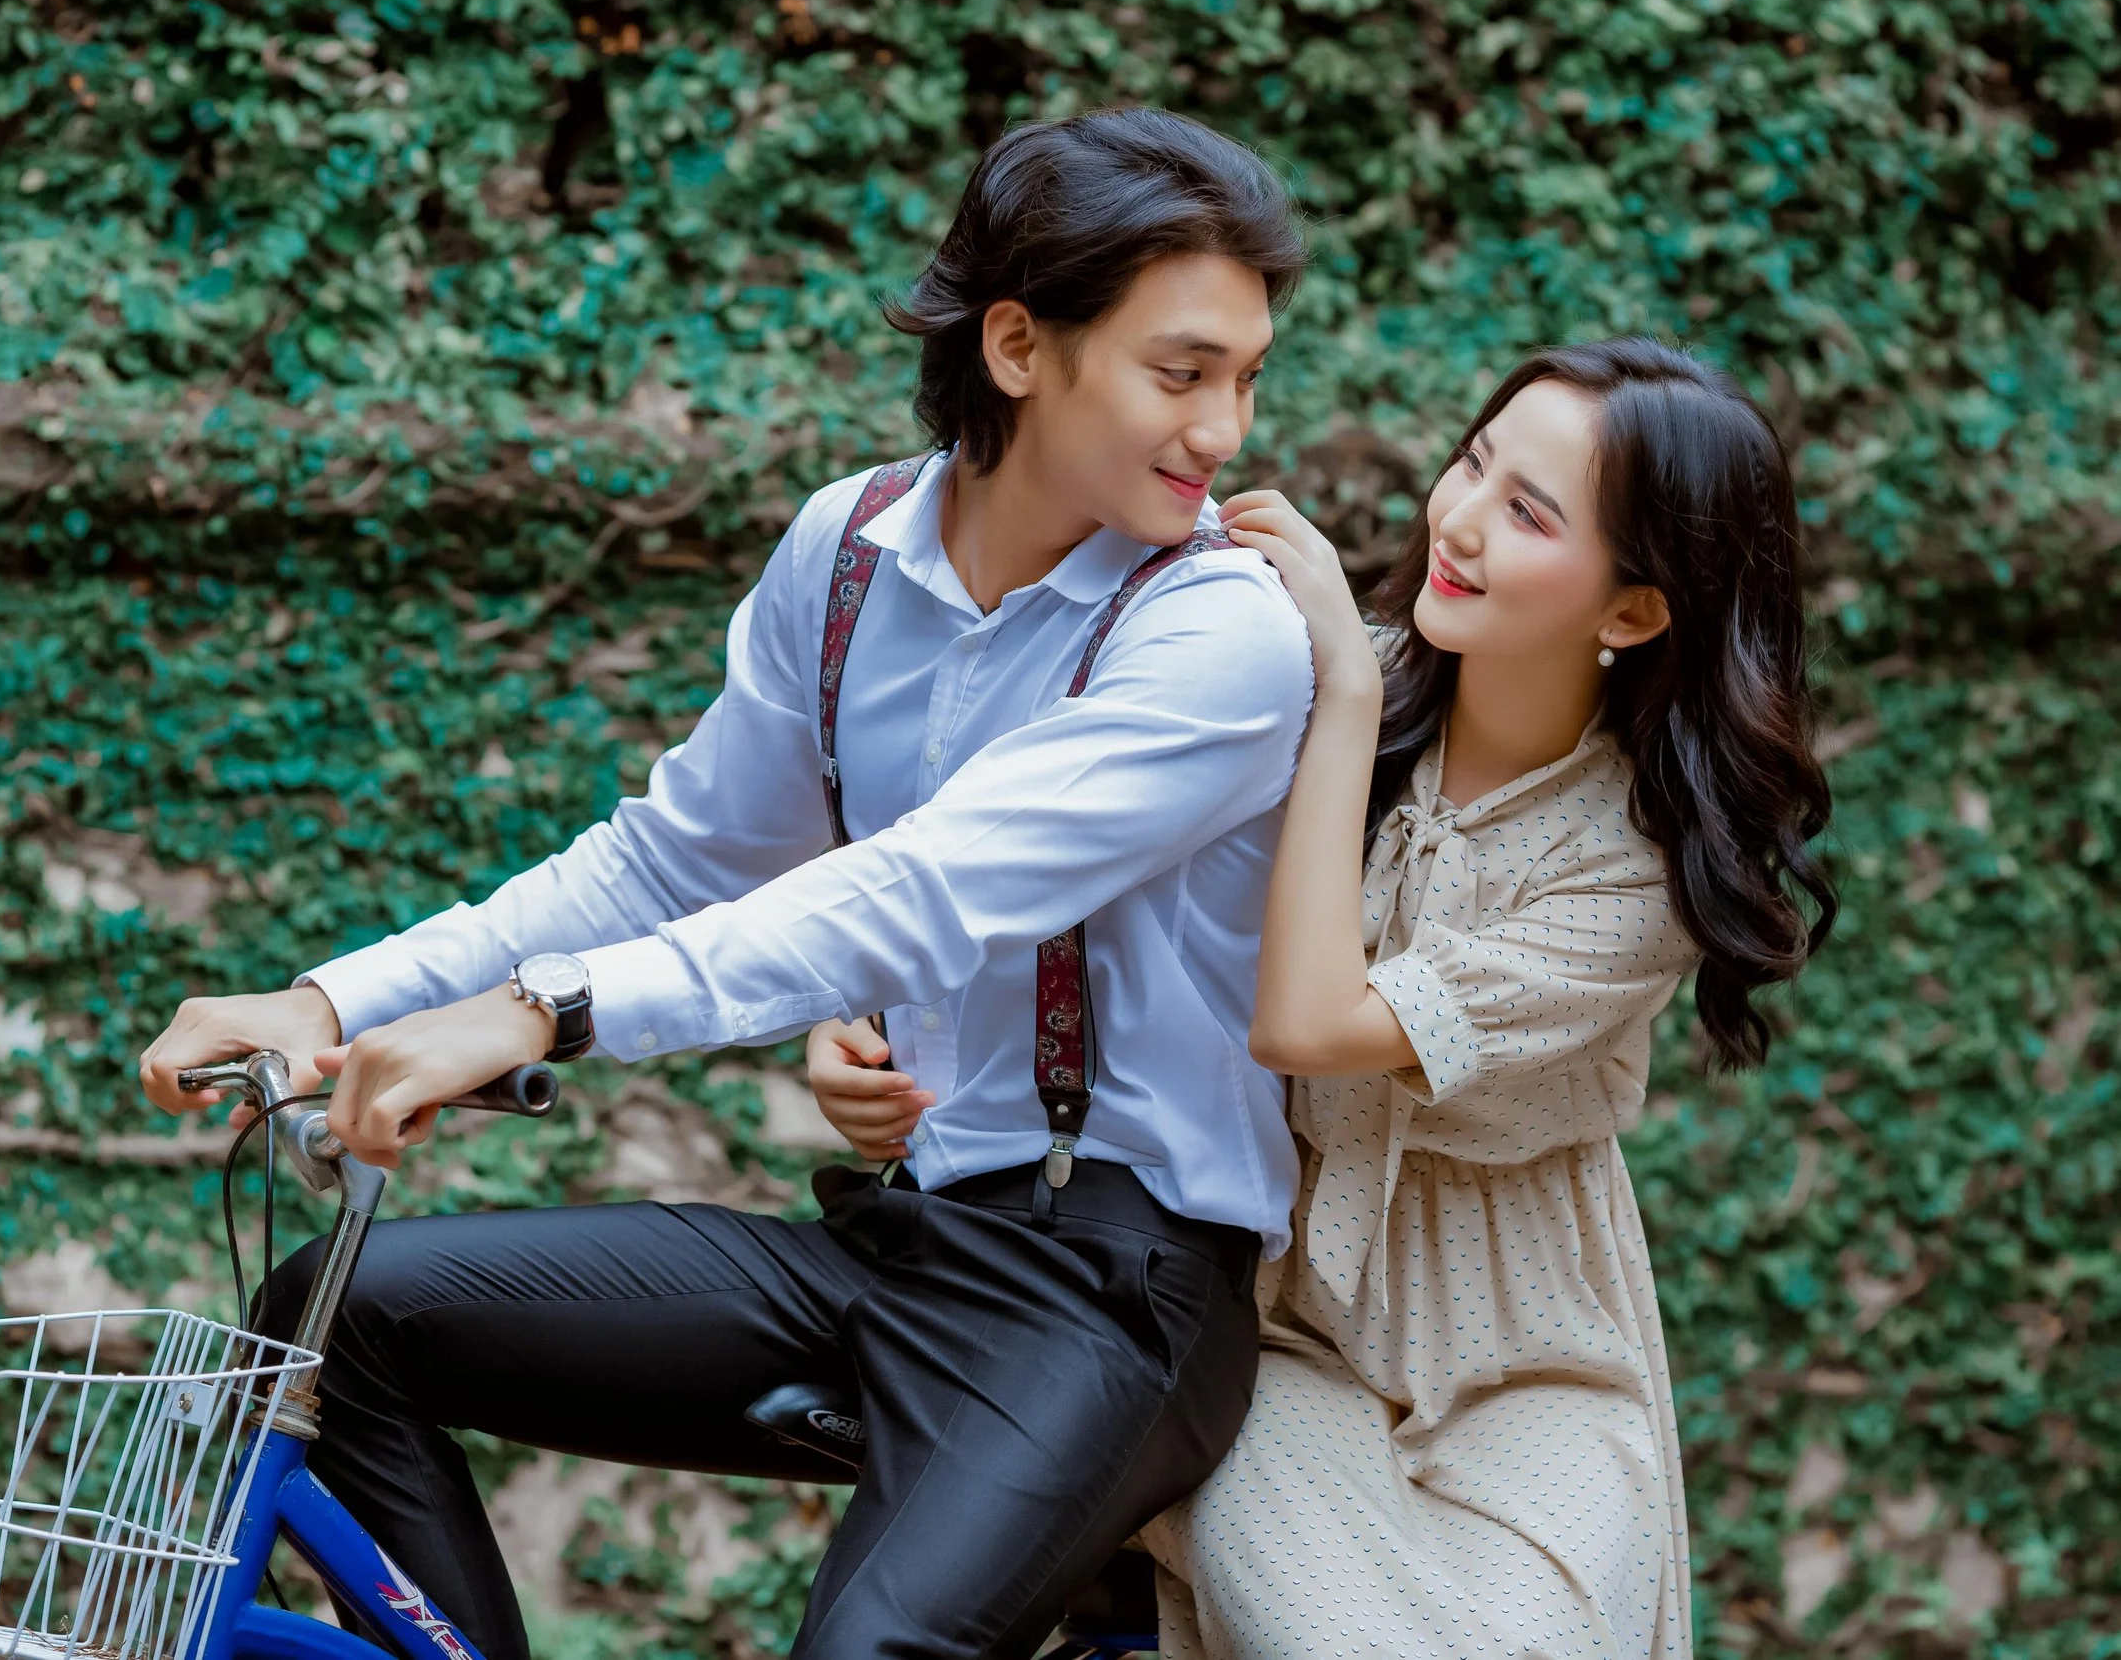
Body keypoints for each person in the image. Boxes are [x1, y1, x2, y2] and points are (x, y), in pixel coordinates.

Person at [138, 107, 1317, 1659]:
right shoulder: (850, 552)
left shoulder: (1219, 628)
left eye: (1246, 377)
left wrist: (542, 1011)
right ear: (1021, 346)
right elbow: (670, 856)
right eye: (1184, 372)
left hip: (1110, 1293)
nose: (1225, 428)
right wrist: (329, 1001)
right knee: (333, 1314)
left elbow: (920, 891)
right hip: (898, 1238)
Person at [808, 336, 1836, 1659]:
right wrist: (870, 1020)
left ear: (1633, 612)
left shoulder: (1627, 870)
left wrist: (1348, 690)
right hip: (1264, 1332)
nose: (1460, 518)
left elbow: (1310, 1026)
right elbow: (1050, 866)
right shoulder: (1283, 675)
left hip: (1528, 1367)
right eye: (1474, 462)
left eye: (1529, 513)